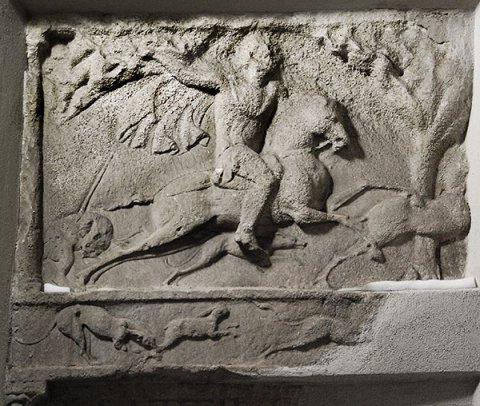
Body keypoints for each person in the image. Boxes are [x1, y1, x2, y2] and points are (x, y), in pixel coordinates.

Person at [156, 31, 283, 265]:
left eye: (271, 56)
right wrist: (157, 53)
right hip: (231, 154)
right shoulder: (228, 82)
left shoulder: (272, 89)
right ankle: (245, 231)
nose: (268, 61)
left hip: (256, 155)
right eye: (262, 55)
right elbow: (188, 73)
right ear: (248, 58)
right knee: (267, 181)